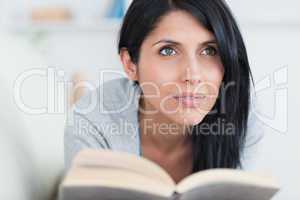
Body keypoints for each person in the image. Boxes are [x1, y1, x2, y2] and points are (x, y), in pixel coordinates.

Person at [64, 0, 264, 184]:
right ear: (130, 64)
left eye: (209, 51)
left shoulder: (242, 113)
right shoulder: (90, 122)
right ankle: (80, 86)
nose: (193, 76)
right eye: (168, 51)